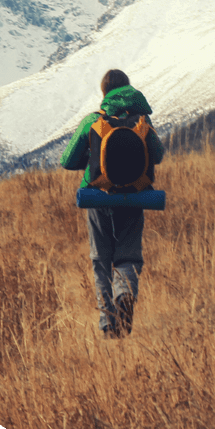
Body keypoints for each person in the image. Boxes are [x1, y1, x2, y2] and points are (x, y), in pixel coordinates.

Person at [59, 69, 164, 339]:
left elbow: (67, 160)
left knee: (101, 261)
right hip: (134, 196)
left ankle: (109, 326)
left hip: (98, 196)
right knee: (128, 257)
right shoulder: (142, 120)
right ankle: (125, 293)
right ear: (128, 90)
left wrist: (94, 160)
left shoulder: (94, 121)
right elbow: (159, 155)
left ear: (104, 93)